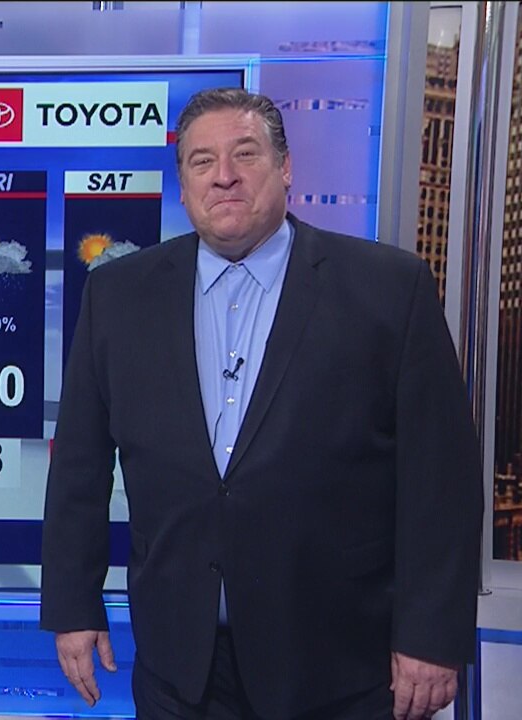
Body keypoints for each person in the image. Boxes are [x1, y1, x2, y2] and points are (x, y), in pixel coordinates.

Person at [40, 87, 482, 720]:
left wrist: (430, 638)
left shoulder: (388, 289)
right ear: (184, 185)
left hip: (340, 668)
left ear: (286, 167)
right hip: (178, 671)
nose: (224, 175)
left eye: (244, 154)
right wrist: (74, 607)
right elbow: (79, 467)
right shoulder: (118, 295)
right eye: (202, 161)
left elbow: (439, 482)